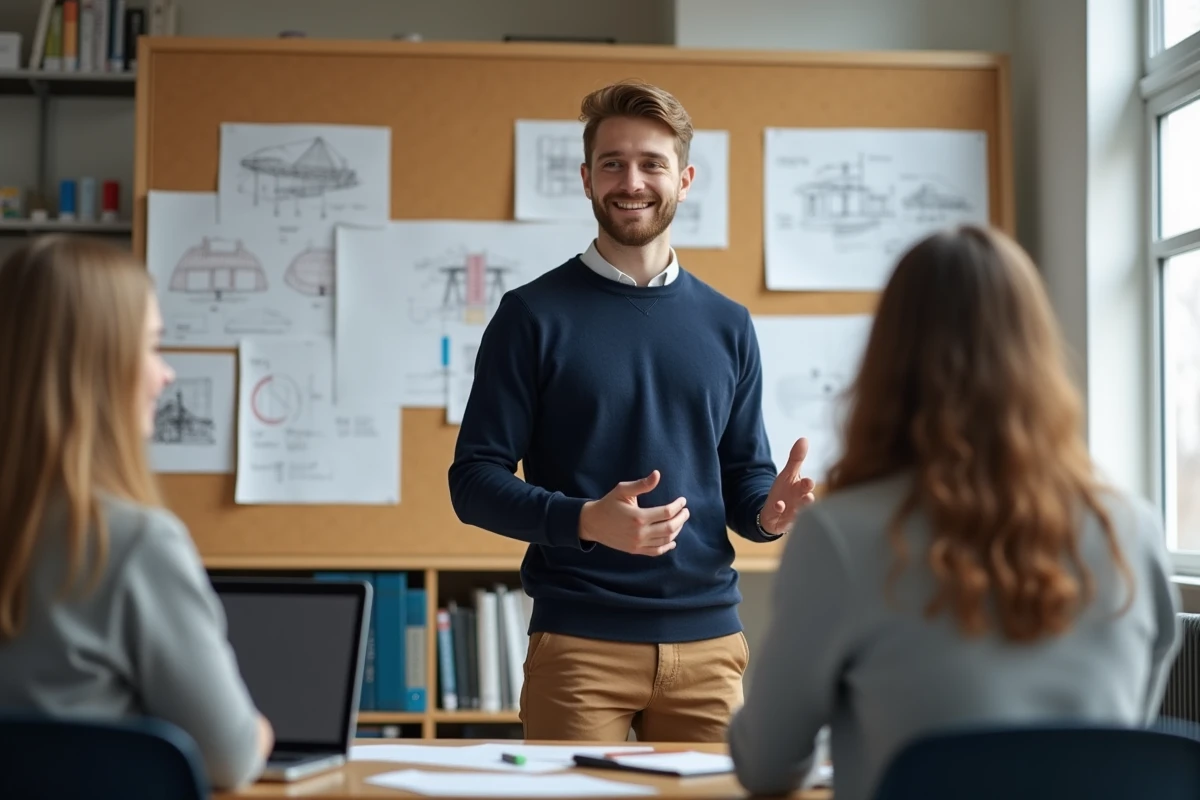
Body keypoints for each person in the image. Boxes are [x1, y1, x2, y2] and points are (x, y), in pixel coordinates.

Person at [726, 225, 1182, 800]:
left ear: (888, 361)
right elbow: (1121, 742)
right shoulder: (1133, 529)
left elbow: (767, 766)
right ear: (1039, 355)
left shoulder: (842, 534)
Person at [447, 80, 816, 742]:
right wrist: (585, 520)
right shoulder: (530, 317)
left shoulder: (728, 324)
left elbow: (742, 478)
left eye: (652, 163)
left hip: (711, 648)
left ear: (684, 179)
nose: (632, 181)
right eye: (613, 163)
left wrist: (768, 513)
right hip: (579, 646)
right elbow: (473, 482)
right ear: (587, 179)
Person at [0, 235, 274, 790]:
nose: (165, 374)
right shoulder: (128, 542)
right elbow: (231, 758)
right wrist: (262, 730)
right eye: (151, 347)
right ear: (97, 368)